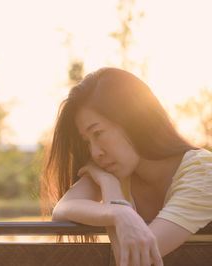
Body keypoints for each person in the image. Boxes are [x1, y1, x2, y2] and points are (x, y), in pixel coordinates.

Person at [42, 67, 212, 266]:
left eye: (97, 133)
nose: (95, 153)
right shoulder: (114, 169)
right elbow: (62, 208)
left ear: (132, 121)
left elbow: (133, 260)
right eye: (87, 142)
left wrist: (114, 197)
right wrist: (118, 212)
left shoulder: (203, 173)